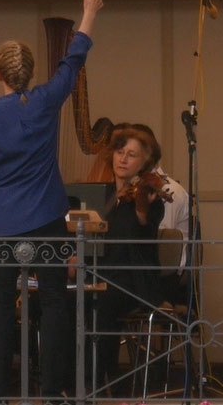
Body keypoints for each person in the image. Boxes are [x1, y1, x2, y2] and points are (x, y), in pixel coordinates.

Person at [0, 0, 102, 399]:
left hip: (1, 224)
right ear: (31, 73)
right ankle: (54, 392)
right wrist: (89, 12)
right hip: (49, 219)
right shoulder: (47, 100)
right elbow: (74, 60)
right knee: (55, 303)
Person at [85, 128, 165, 391]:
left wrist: (142, 207)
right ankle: (68, 378)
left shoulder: (149, 197)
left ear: (145, 163)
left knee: (101, 301)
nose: (123, 159)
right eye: (120, 152)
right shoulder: (101, 195)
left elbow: (143, 230)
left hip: (134, 280)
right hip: (98, 275)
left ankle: (96, 381)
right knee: (64, 299)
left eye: (132, 155)